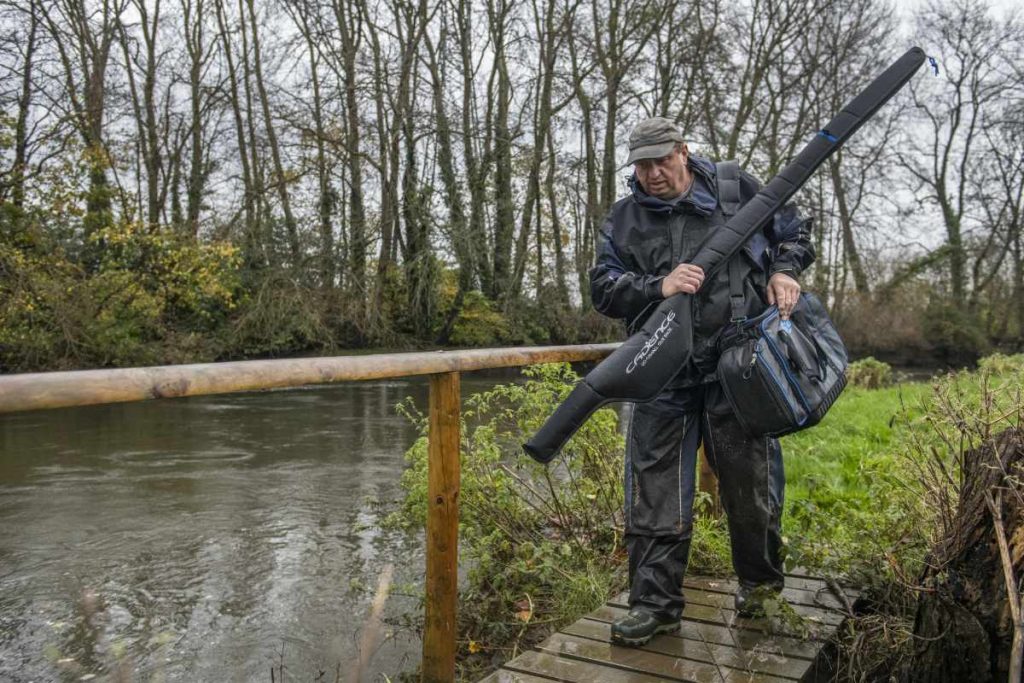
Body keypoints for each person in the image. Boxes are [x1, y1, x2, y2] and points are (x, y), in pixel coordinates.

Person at [589, 117, 815, 647]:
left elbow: (794, 230)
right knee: (655, 491)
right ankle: (655, 607)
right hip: (660, 372)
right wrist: (656, 285)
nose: (651, 174)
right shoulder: (624, 219)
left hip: (737, 366)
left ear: (683, 152)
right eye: (641, 165)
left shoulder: (737, 191)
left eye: (660, 161)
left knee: (751, 485)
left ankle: (760, 594)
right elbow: (603, 289)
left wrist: (785, 270)